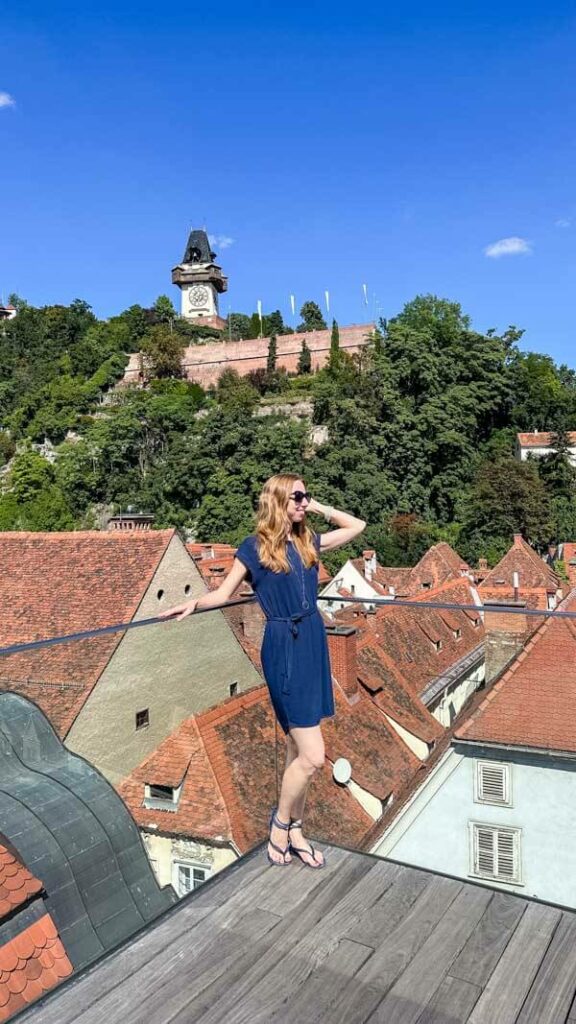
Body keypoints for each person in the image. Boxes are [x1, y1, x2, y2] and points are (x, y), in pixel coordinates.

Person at [161, 474, 365, 868]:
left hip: (312, 641)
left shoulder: (308, 542)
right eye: (298, 497)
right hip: (283, 646)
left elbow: (357, 527)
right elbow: (224, 594)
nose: (305, 503)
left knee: (295, 747)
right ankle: (281, 824)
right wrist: (190, 605)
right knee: (313, 756)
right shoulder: (253, 549)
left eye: (306, 496)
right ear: (277, 502)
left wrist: (320, 507)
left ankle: (297, 831)